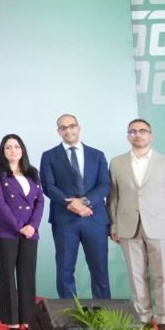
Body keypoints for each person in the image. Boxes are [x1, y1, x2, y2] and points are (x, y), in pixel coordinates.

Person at [108, 118, 165, 330]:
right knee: (136, 275)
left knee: (163, 275)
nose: (138, 135)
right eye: (133, 131)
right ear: (128, 136)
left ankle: (164, 320)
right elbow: (113, 198)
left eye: (143, 131)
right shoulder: (116, 163)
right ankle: (143, 318)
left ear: (151, 136)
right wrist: (114, 225)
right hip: (128, 226)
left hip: (161, 227)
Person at [39, 114, 113, 299]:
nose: (68, 130)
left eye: (71, 126)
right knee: (65, 269)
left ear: (79, 128)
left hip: (94, 218)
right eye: (63, 127)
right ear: (58, 131)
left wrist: (85, 202)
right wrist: (71, 204)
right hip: (64, 219)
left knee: (100, 269)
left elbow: (104, 185)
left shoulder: (97, 155)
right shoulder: (49, 156)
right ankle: (70, 313)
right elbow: (48, 186)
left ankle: (104, 312)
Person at [0, 133, 44, 330]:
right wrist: (19, 226)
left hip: (30, 231)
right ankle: (11, 318)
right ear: (3, 151)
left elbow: (40, 201)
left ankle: (28, 317)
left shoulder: (32, 172)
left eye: (16, 146)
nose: (13, 150)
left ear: (22, 150)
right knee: (7, 274)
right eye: (8, 147)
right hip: (7, 230)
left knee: (27, 274)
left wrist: (33, 226)